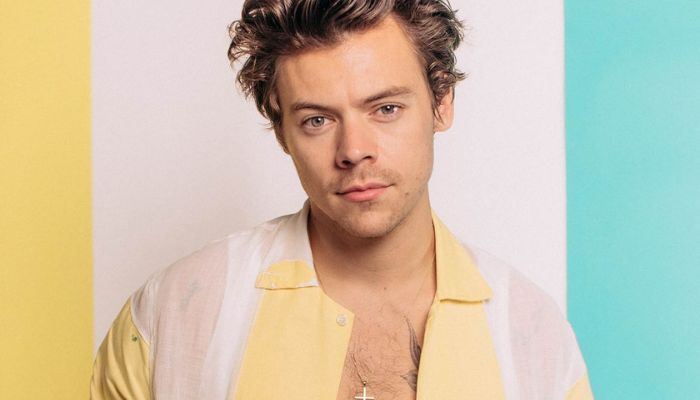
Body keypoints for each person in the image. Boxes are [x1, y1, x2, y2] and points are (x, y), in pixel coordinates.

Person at [90, 1, 593, 399]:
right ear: (282, 132)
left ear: (442, 103)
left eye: (386, 109)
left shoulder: (532, 335)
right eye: (317, 120)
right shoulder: (175, 313)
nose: (353, 150)